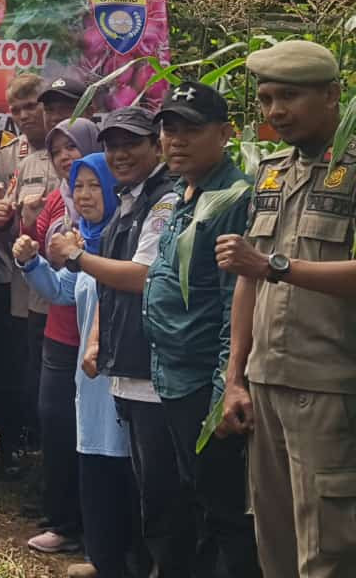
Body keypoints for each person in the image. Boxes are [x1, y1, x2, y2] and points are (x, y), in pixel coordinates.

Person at [216, 40, 356, 578]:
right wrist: (235, 378)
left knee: (329, 547)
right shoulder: (272, 173)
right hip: (266, 384)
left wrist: (275, 266)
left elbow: (264, 268)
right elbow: (247, 284)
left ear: (331, 96)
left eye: (290, 97)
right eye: (267, 98)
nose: (275, 111)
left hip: (328, 386)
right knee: (273, 538)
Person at [139, 82, 259, 576]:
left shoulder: (232, 197)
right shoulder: (183, 191)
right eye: (170, 128)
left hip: (203, 384)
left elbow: (238, 297)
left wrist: (225, 387)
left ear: (226, 134)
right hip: (171, 375)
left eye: (192, 129)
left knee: (223, 512)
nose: (176, 139)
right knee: (188, 501)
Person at [57, 106, 181, 576]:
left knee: (163, 495)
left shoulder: (165, 199)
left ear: (156, 144)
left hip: (157, 366)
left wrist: (76, 258)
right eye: (112, 145)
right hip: (124, 363)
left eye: (131, 143)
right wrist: (96, 341)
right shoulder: (131, 200)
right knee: (143, 485)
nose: (120, 153)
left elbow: (142, 276)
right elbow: (107, 292)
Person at [20, 153, 134, 578]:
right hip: (88, 380)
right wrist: (30, 263)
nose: (84, 195)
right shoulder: (83, 239)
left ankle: (127, 560)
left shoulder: (126, 239)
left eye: (92, 185)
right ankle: (102, 557)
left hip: (121, 372)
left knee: (125, 465)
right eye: (78, 186)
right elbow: (64, 292)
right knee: (94, 460)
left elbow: (126, 288)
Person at [13, 118, 101, 556]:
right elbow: (35, 246)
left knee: (99, 436)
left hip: (97, 339)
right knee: (57, 425)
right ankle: (65, 522)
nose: (65, 157)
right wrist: (28, 253)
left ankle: (102, 532)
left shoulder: (113, 204)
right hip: (57, 330)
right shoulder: (55, 200)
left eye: (73, 148)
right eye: (57, 151)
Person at [0, 74, 86, 466]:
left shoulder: (95, 157)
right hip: (37, 295)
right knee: (39, 391)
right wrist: (1, 219)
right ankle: (48, 478)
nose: (49, 115)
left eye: (64, 108)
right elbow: (20, 230)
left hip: (87, 303)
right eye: (51, 108)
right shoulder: (20, 158)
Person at [0, 72, 50, 476]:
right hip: (18, 285)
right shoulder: (6, 155)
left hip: (67, 283)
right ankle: (17, 451)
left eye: (32, 105)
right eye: (17, 109)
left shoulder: (71, 147)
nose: (24, 115)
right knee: (20, 373)